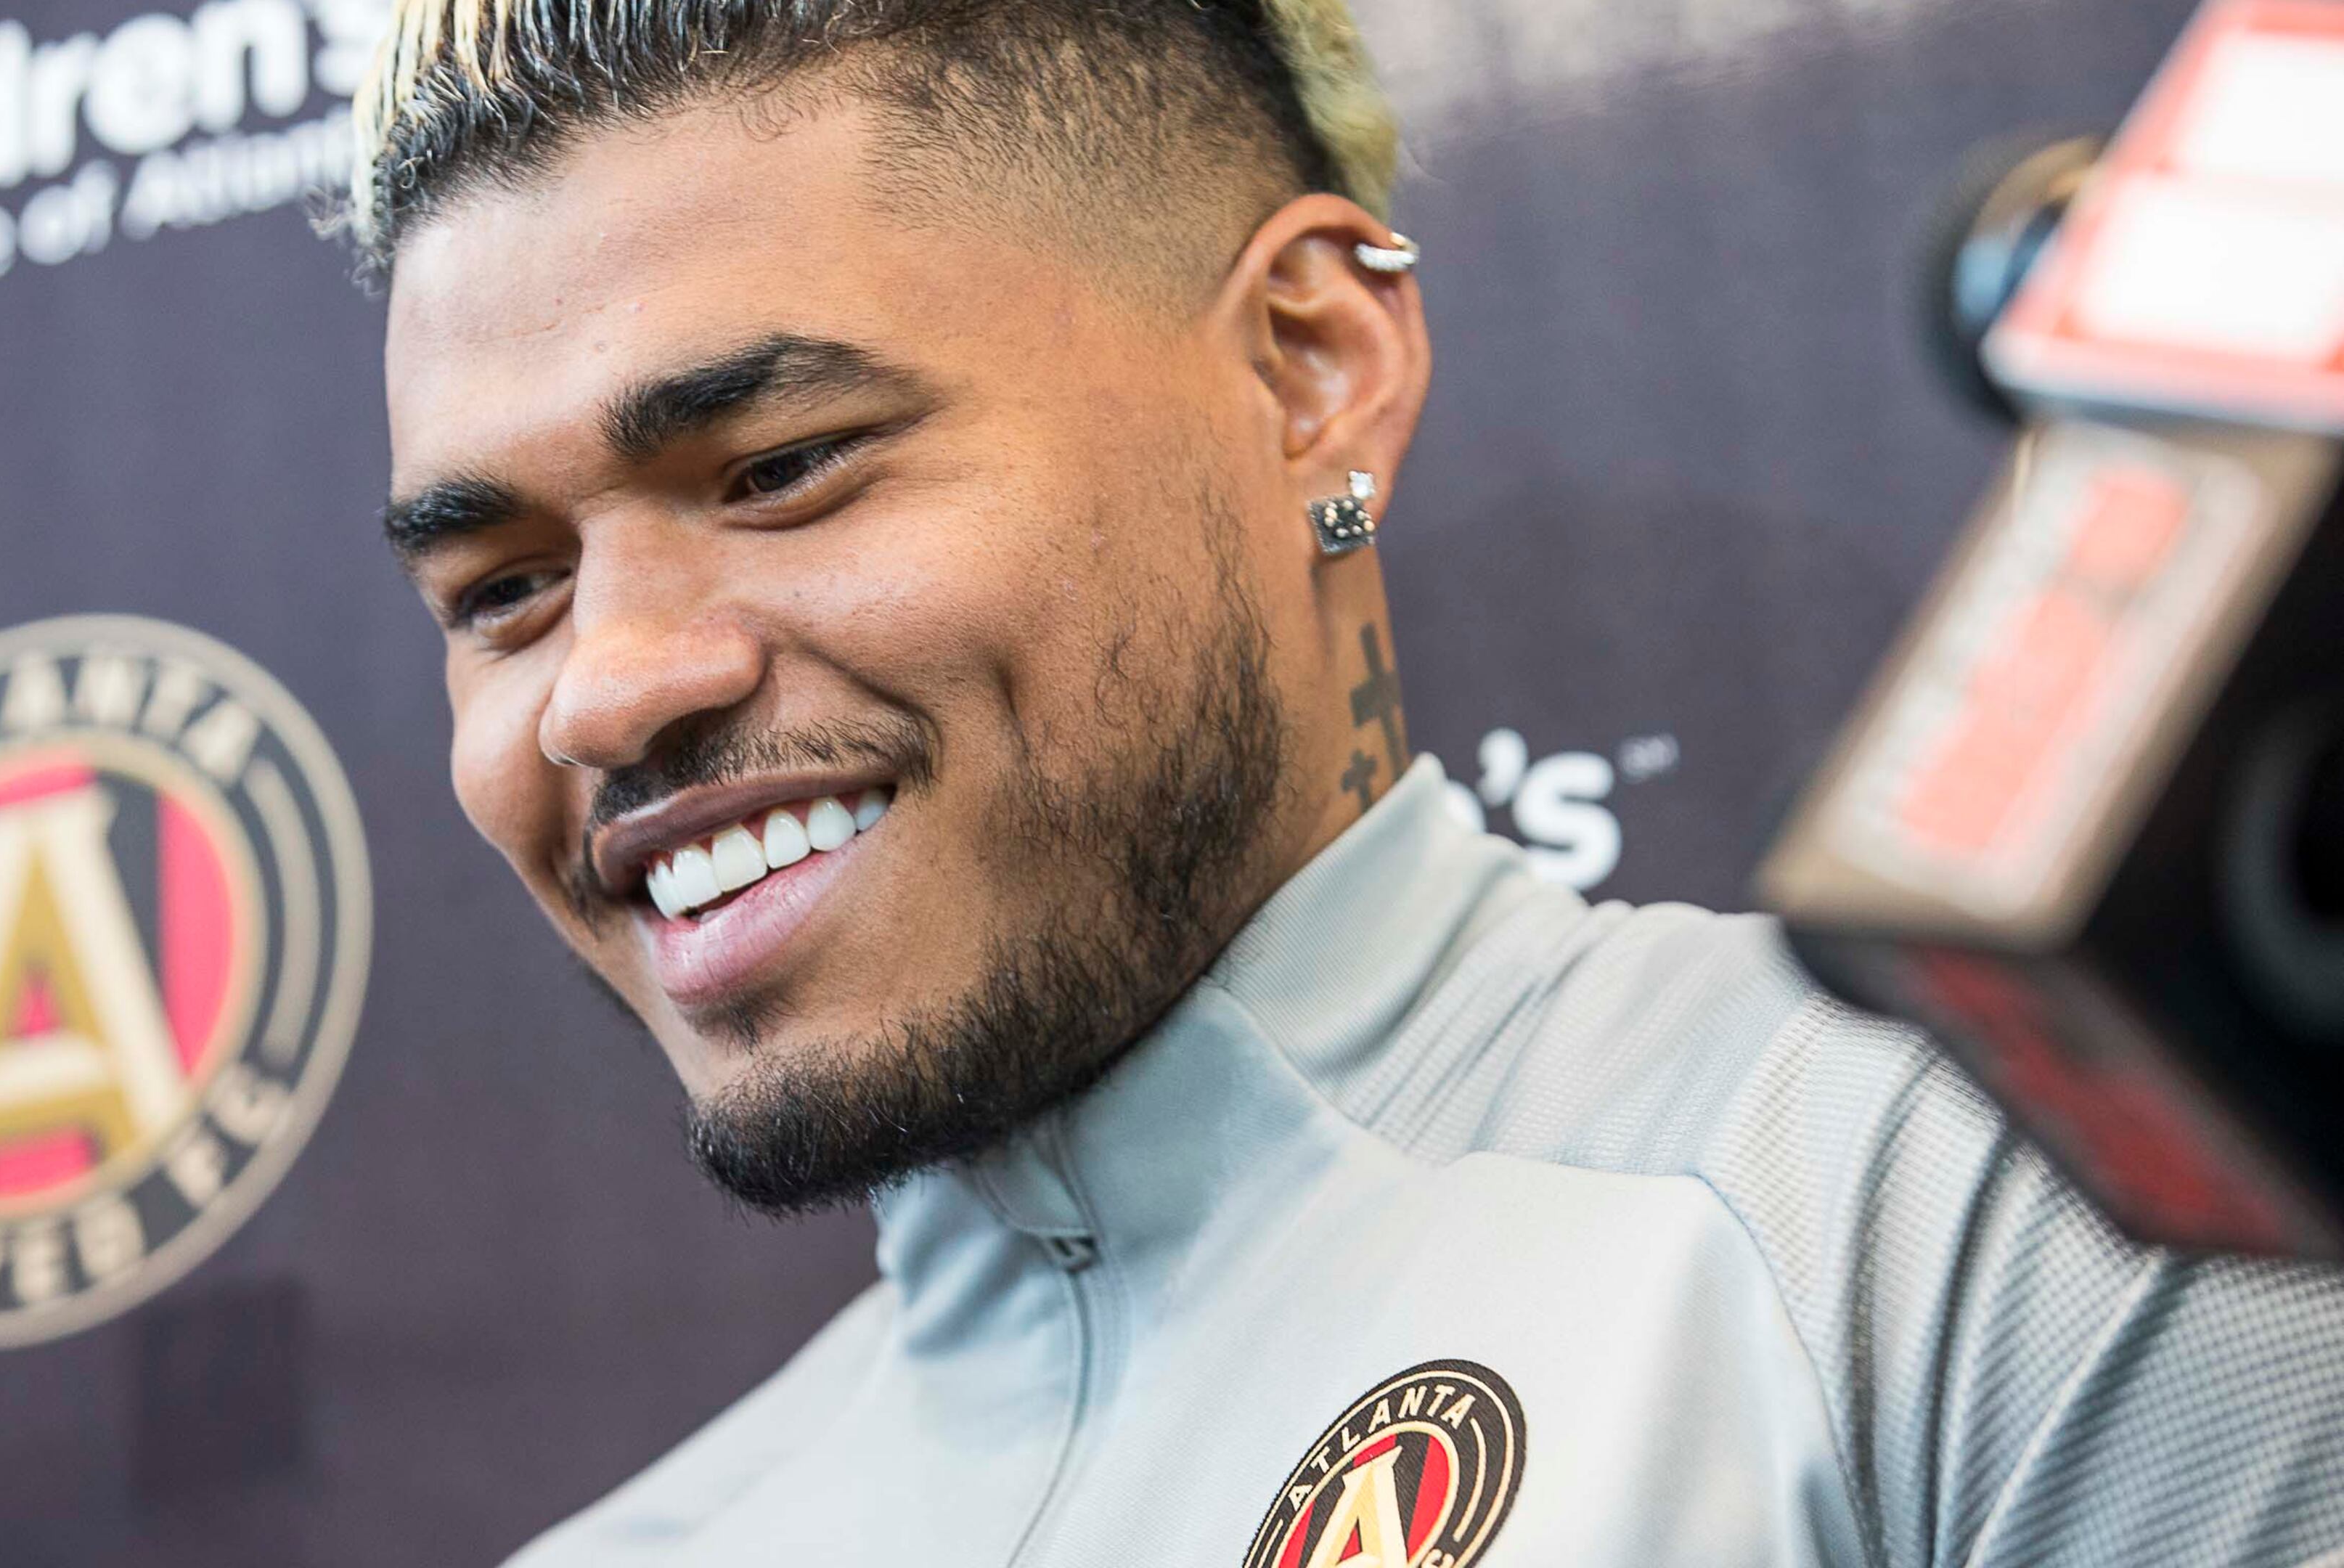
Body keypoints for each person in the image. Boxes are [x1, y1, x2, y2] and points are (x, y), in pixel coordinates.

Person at [346, 1, 2344, 1561]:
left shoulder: (1982, 1204)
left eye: (781, 466)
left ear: (1308, 367)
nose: (604, 690)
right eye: (504, 588)